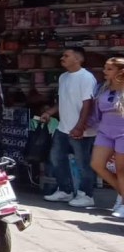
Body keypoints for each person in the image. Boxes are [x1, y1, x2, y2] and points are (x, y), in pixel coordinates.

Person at [39, 47, 97, 206]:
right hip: (63, 127)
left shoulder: (86, 77)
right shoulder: (63, 77)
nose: (62, 58)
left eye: (66, 56)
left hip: (82, 130)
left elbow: (88, 104)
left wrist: (80, 126)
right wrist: (49, 112)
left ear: (78, 59)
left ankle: (86, 195)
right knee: (56, 158)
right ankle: (65, 190)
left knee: (82, 162)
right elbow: (62, 100)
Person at [89, 57, 124, 216]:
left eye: (109, 69)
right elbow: (95, 112)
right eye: (105, 68)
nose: (105, 71)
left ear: (120, 71)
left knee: (121, 170)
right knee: (97, 164)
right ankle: (122, 193)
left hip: (122, 131)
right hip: (105, 131)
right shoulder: (102, 88)